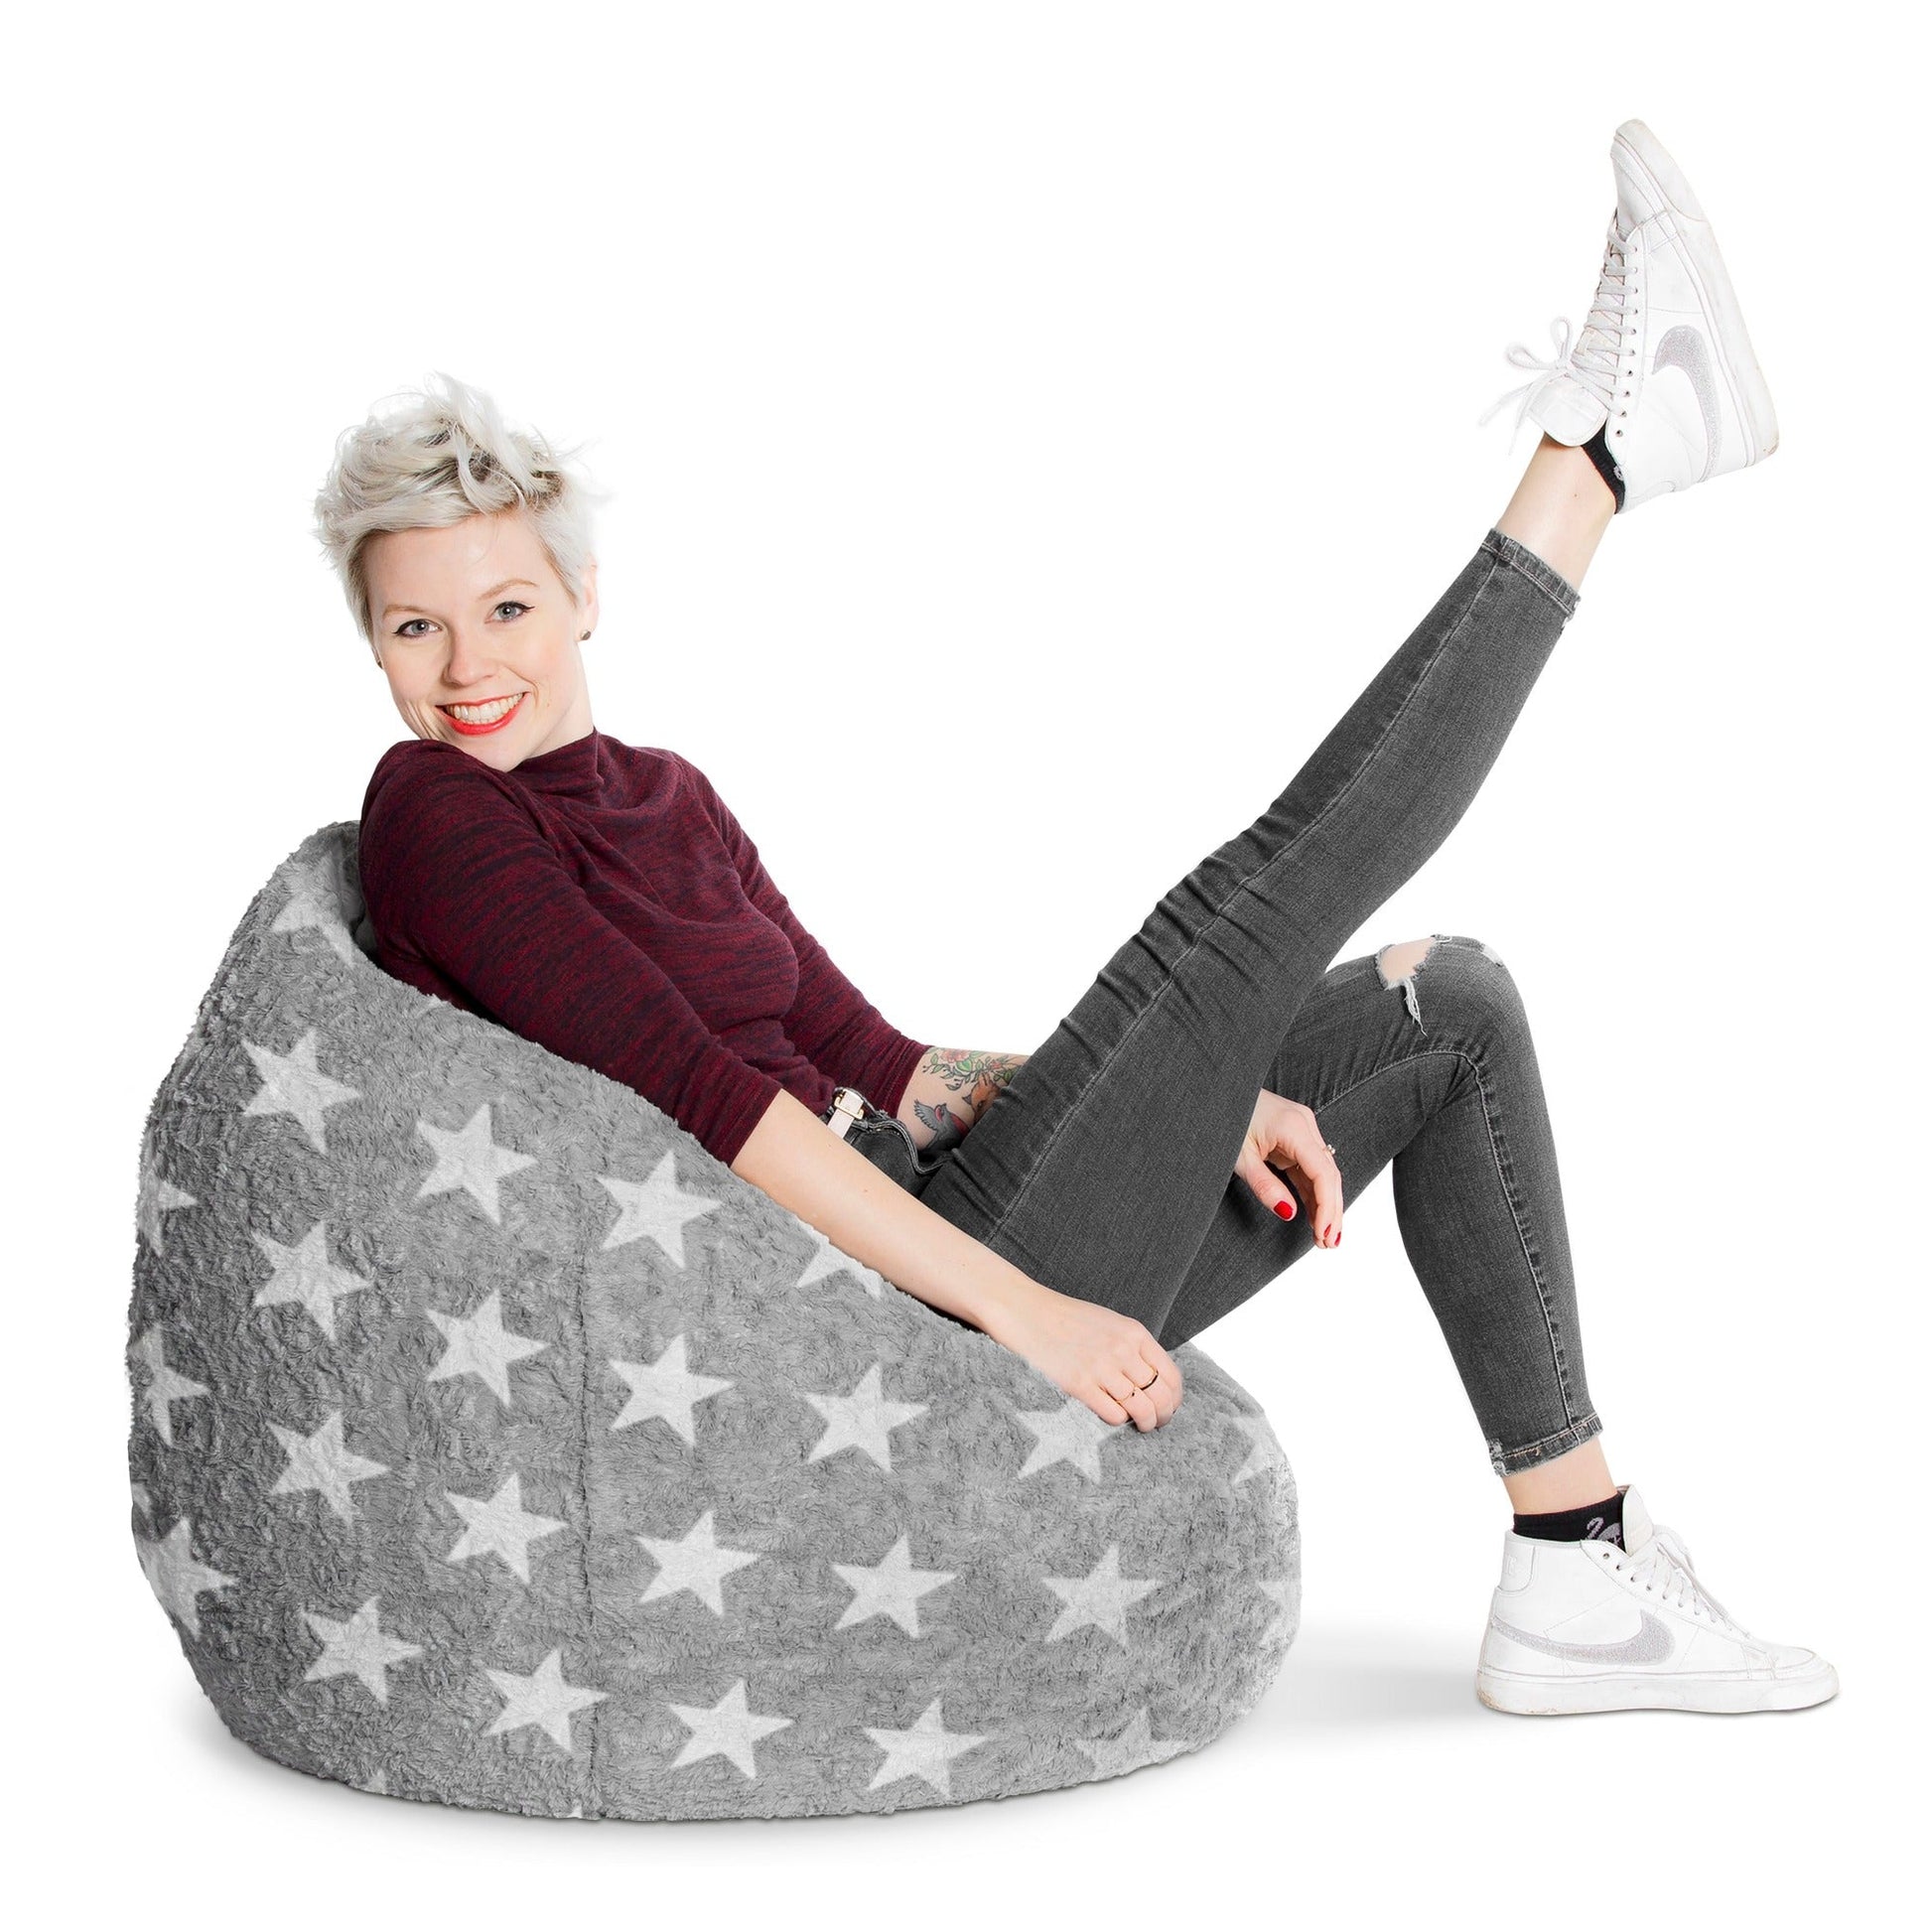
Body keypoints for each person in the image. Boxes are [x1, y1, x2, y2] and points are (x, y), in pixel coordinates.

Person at [315, 120, 1835, 1718]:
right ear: (371, 639)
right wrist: (1024, 1311)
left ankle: (1576, 1551)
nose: (465, 666)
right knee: (1238, 913)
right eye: (414, 624)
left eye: (504, 608)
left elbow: (885, 1065)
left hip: (942, 1205)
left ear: (581, 597)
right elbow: (716, 1109)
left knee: (1439, 1003)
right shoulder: (437, 816)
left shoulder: (664, 791)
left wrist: (1207, 1086)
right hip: (867, 1316)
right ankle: (1593, 460)